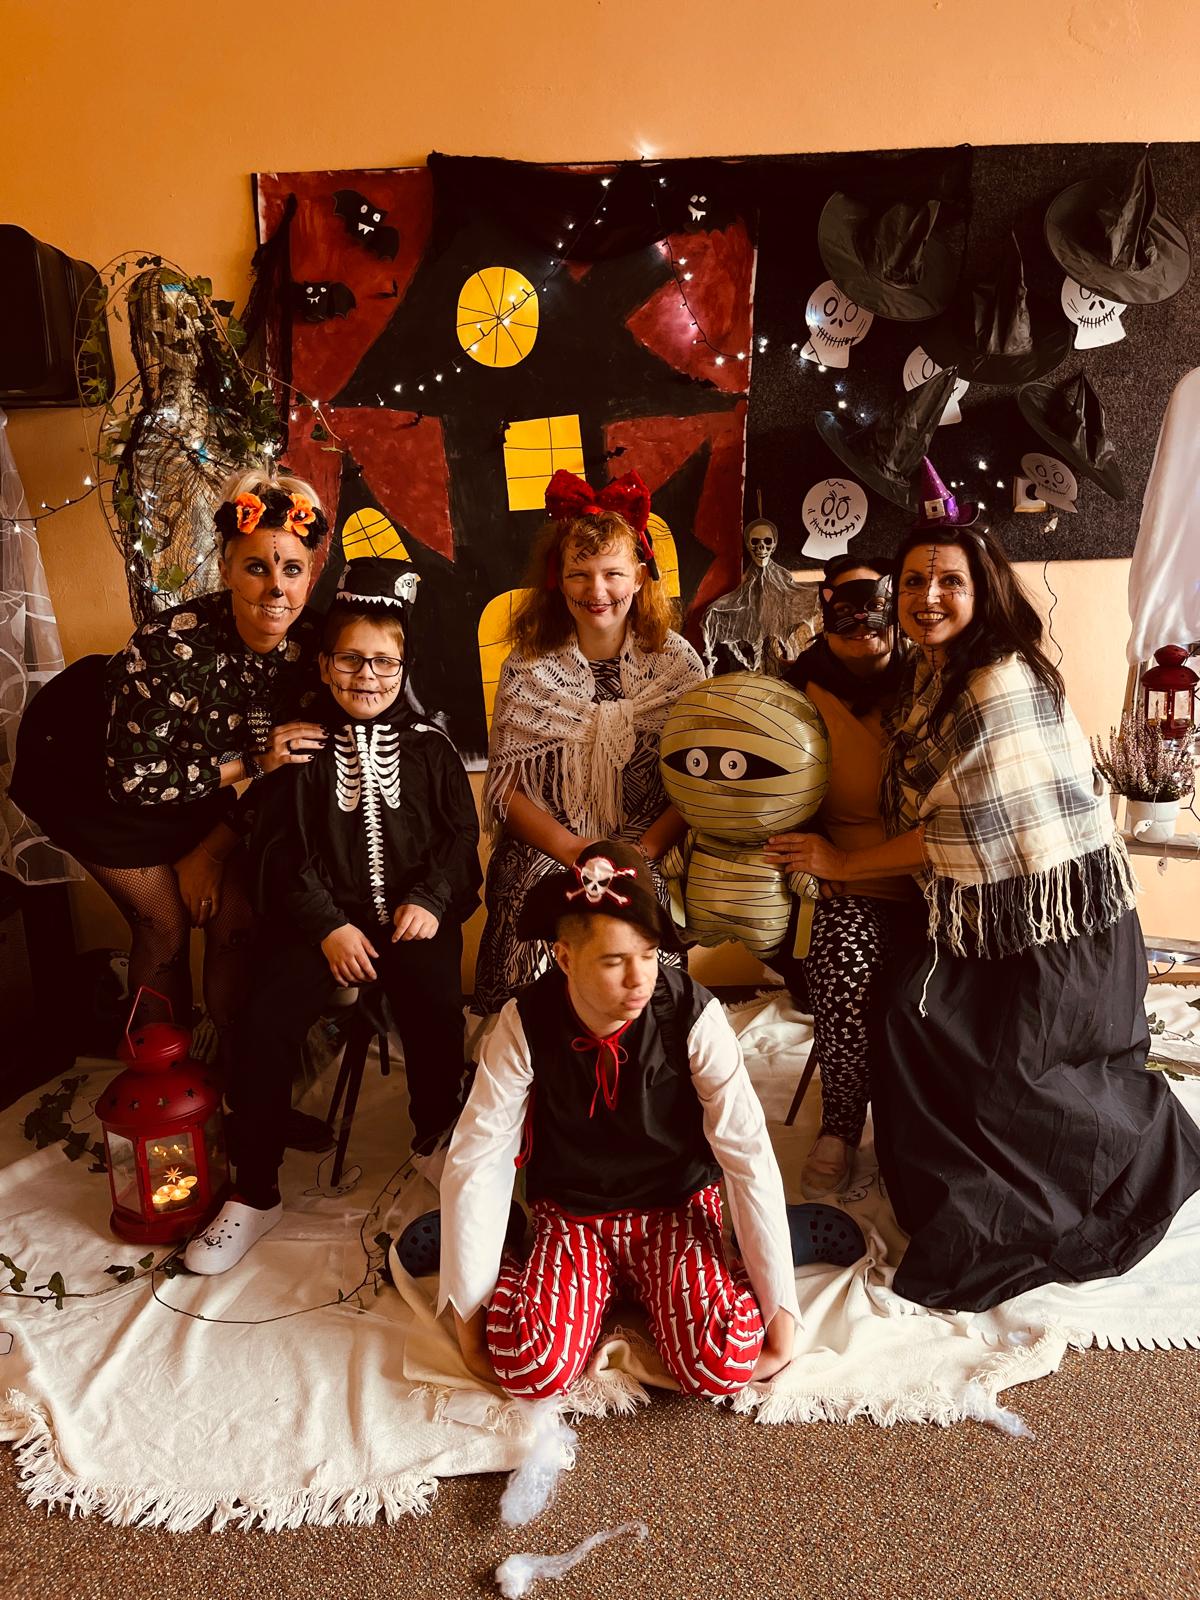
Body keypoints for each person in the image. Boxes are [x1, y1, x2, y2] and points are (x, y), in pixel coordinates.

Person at [773, 508, 1200, 1311]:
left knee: (980, 1059)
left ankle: (1112, 1157)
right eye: (914, 581)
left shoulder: (995, 678)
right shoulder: (930, 672)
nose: (928, 596)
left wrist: (845, 864)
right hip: (993, 911)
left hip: (1056, 928)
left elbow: (961, 832)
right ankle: (942, 1180)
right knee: (910, 1016)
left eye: (949, 581)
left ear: (984, 591)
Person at [184, 558, 481, 1274]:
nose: (366, 676)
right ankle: (255, 1191)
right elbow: (281, 852)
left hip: (411, 918)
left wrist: (431, 899)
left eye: (383, 662)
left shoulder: (432, 748)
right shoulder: (302, 751)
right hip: (318, 925)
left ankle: (435, 1142)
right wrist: (326, 925)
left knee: (437, 1005)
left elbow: (458, 839)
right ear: (323, 665)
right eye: (349, 659)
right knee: (264, 1019)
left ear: (404, 667)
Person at [440, 838, 798, 1398]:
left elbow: (746, 1150)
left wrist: (781, 1312)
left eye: (649, 956)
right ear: (564, 958)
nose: (638, 979)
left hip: (674, 1206)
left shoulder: (693, 1013)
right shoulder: (525, 1021)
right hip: (574, 1212)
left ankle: (723, 1266)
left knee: (725, 1362)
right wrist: (468, 1313)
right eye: (613, 961)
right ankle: (512, 1252)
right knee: (528, 1367)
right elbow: (480, 1154)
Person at [11, 470, 329, 1056]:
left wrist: (209, 852)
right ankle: (161, 1081)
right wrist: (253, 762)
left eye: (292, 569)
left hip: (199, 786)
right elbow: (135, 780)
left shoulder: (315, 649)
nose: (275, 589)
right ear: (226, 569)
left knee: (236, 920)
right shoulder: (170, 644)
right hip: (98, 785)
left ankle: (234, 1070)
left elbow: (288, 770)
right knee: (165, 926)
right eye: (256, 568)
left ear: (311, 574)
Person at [472, 468, 704, 1015]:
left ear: (640, 577)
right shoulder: (529, 666)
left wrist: (641, 851)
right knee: (534, 900)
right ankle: (527, 1040)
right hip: (552, 844)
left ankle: (643, 1037)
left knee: (639, 909)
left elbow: (698, 780)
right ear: (558, 578)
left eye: (612, 574)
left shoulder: (678, 664)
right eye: (579, 575)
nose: (597, 592)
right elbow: (506, 791)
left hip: (647, 843)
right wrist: (575, 851)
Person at [765, 556, 913, 1200]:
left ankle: (934, 1127)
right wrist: (808, 859)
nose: (864, 626)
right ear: (824, 611)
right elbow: (766, 789)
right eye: (845, 611)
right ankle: (842, 1126)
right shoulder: (797, 694)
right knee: (844, 966)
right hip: (854, 884)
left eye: (875, 606)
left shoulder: (930, 683)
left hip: (943, 881)